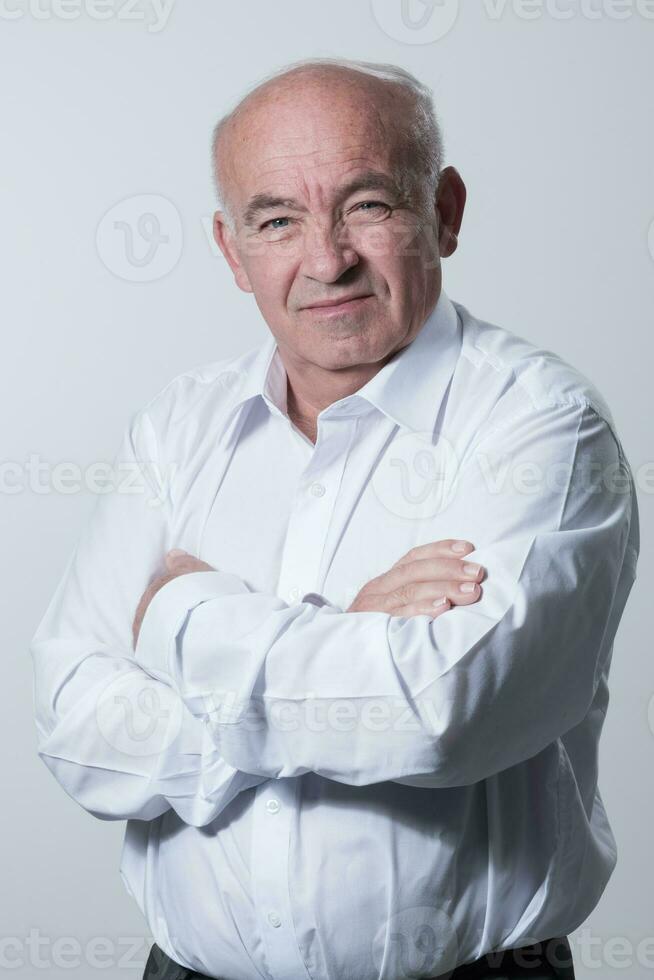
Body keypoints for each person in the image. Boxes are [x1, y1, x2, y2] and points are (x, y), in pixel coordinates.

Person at [30, 58, 639, 980]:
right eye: (277, 220)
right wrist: (348, 632)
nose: (326, 259)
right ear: (233, 251)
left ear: (444, 211)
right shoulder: (179, 427)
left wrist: (182, 618)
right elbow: (78, 734)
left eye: (368, 206)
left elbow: (442, 714)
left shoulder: (542, 421)